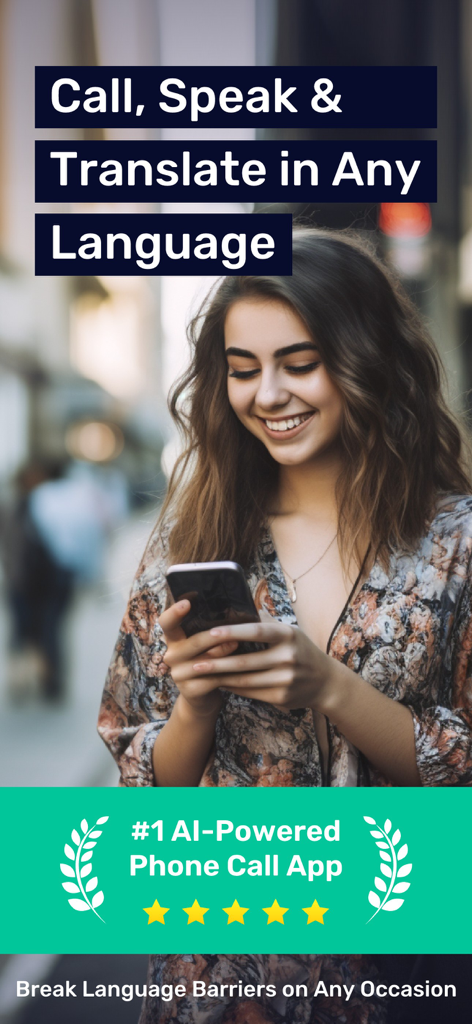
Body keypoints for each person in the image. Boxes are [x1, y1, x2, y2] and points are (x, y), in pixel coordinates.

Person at [98, 228, 472, 1023]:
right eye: (242, 371)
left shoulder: (458, 545)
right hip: (221, 979)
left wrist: (330, 687)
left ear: (368, 359)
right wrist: (196, 705)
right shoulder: (190, 541)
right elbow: (142, 787)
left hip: (399, 970)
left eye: (299, 363)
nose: (268, 394)